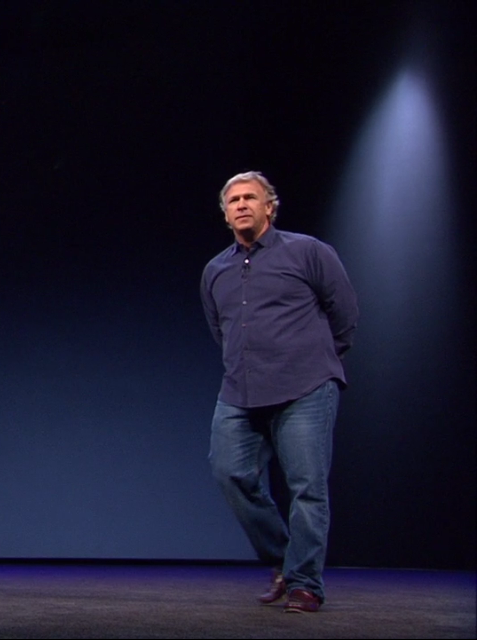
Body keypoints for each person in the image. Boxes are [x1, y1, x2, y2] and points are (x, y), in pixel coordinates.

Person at [200, 171, 359, 613]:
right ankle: (284, 561)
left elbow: (344, 314)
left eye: (250, 197)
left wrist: (316, 360)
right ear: (225, 214)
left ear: (269, 206)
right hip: (240, 390)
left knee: (307, 487)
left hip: (305, 386)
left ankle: (305, 583)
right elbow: (221, 330)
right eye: (233, 200)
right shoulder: (215, 270)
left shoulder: (308, 252)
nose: (241, 205)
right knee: (230, 472)